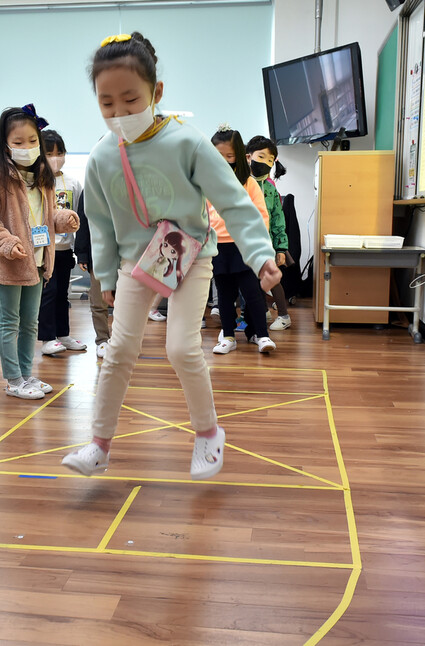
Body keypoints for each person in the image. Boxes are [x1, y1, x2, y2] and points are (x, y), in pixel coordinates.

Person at [60, 32, 280, 480]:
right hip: (133, 263)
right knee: (118, 349)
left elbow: (233, 200)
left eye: (130, 99)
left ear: (156, 93)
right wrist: (105, 276)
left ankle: (208, 434)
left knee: (182, 347)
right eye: (107, 104)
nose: (119, 113)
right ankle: (99, 445)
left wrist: (261, 255)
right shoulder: (102, 157)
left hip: (191, 254)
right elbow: (99, 222)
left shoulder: (188, 143)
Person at [0, 105, 79, 400]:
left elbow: (44, 216)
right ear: (5, 144)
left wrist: (62, 219)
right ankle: (13, 379)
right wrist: (6, 243)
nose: (27, 148)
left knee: (30, 323)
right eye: (18, 142)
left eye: (32, 141)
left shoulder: (43, 178)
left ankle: (26, 374)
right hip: (10, 264)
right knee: (10, 322)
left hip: (37, 262)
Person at [207, 127, 275, 354]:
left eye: (230, 156)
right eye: (219, 156)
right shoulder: (208, 183)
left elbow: (262, 214)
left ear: (239, 155)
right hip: (217, 248)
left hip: (244, 247)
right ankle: (228, 337)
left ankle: (261, 335)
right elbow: (203, 214)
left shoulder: (248, 182)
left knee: (253, 294)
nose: (225, 161)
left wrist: (259, 244)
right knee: (224, 298)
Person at [37, 129, 88, 356]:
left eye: (60, 152)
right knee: (48, 293)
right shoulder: (36, 183)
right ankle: (47, 337)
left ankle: (62, 334)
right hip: (44, 249)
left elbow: (78, 217)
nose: (55, 157)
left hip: (65, 249)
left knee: (62, 294)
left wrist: (80, 249)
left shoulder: (73, 183)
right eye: (49, 153)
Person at [246, 135, 292, 331]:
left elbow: (278, 220)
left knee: (271, 277)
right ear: (248, 157)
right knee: (250, 279)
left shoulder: (271, 191)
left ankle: (283, 315)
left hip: (267, 242)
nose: (265, 163)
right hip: (244, 241)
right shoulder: (242, 183)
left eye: (270, 160)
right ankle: (262, 311)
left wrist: (281, 248)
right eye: (261, 157)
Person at [74, 191, 112, 358]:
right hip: (97, 252)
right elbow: (82, 220)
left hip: (125, 251)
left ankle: (122, 339)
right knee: (98, 300)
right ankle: (102, 340)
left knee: (127, 300)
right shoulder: (90, 187)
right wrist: (82, 253)